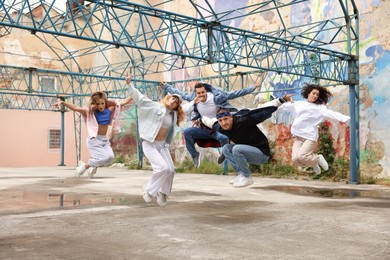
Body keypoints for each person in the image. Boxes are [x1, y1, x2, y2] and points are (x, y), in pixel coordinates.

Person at [161, 80, 261, 168]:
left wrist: (252, 88)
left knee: (224, 138)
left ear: (206, 91)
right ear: (196, 93)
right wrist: (167, 87)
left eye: (202, 92)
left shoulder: (216, 97)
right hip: (205, 128)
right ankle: (195, 155)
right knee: (187, 132)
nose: (201, 95)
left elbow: (234, 94)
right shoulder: (194, 99)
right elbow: (181, 94)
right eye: (198, 93)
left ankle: (225, 153)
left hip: (217, 127)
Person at [201, 93, 293, 187]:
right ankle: (241, 174)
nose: (224, 123)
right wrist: (200, 118)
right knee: (225, 148)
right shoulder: (219, 127)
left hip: (261, 153)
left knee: (236, 148)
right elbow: (208, 121)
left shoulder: (244, 120)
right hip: (246, 151)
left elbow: (259, 110)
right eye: (220, 121)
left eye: (226, 119)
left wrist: (281, 100)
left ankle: (247, 177)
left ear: (231, 118)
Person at [125, 74, 185, 207]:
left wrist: (196, 102)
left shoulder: (173, 115)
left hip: (162, 145)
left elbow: (189, 106)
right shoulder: (156, 106)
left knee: (170, 170)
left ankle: (163, 193)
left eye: (176, 102)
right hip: (150, 143)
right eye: (172, 98)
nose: (173, 101)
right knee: (162, 168)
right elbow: (140, 99)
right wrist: (130, 85)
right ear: (168, 98)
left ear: (176, 106)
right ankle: (148, 190)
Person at [53, 92, 133, 178]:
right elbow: (76, 108)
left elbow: (123, 102)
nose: (101, 106)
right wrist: (63, 103)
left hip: (104, 140)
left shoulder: (110, 109)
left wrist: (134, 95)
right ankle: (85, 166)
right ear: (95, 104)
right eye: (98, 104)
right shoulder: (90, 112)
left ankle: (92, 165)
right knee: (104, 158)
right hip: (94, 140)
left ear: (105, 103)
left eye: (102, 103)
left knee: (110, 157)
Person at [278, 83, 350, 175]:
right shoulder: (297, 104)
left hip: (310, 136)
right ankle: (314, 162)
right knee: (295, 159)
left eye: (317, 95)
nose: (315, 96)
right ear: (308, 93)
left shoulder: (320, 108)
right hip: (298, 136)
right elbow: (281, 107)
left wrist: (347, 118)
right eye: (313, 93)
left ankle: (318, 158)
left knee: (302, 156)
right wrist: (271, 107)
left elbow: (332, 114)